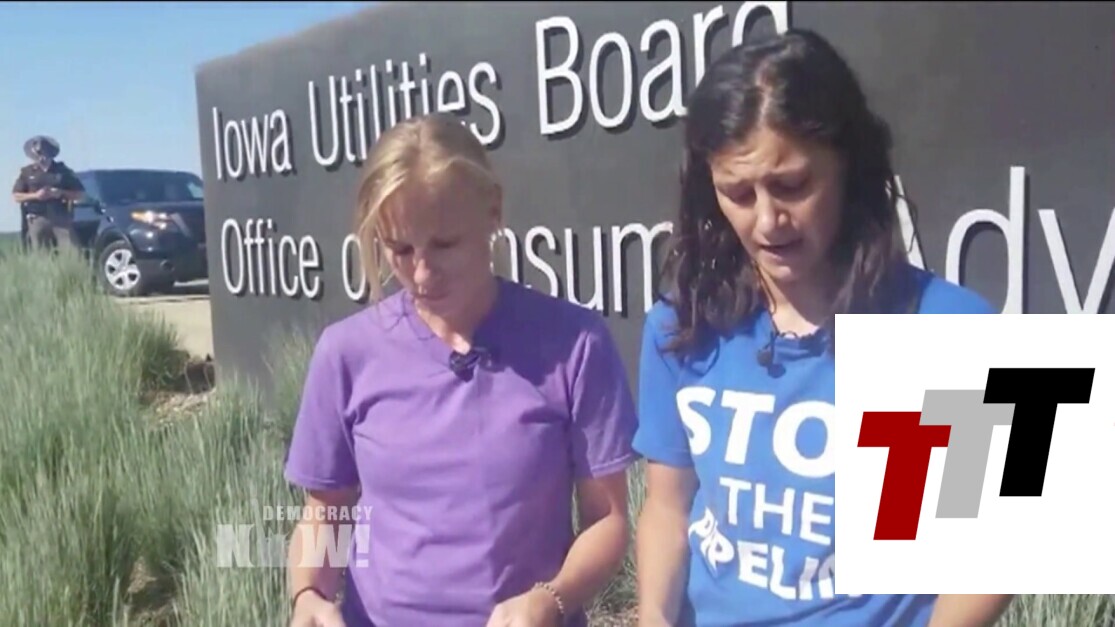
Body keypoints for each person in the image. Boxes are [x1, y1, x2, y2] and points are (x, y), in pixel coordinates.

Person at [632, 29, 1014, 627]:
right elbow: (667, 509)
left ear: (849, 166)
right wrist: (652, 615)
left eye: (791, 186)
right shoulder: (678, 326)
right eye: (737, 193)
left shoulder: (959, 328)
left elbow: (996, 556)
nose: (767, 221)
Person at [283, 112, 638, 627]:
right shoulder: (346, 353)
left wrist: (552, 599)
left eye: (445, 244)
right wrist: (308, 595)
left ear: (493, 211)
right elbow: (325, 512)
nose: (422, 273)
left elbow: (607, 520)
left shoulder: (574, 344)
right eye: (400, 249)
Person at [10, 135, 84, 251]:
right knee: (40, 252)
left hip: (60, 217)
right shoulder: (27, 172)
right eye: (38, 153)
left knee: (71, 250)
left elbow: (80, 193)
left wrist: (60, 193)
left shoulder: (62, 171)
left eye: (43, 152)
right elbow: (16, 196)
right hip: (37, 217)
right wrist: (36, 196)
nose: (41, 156)